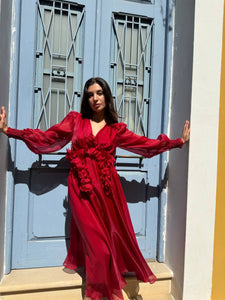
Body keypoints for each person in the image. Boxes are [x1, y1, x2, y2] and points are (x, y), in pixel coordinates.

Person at [0, 77, 190, 300]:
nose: (95, 98)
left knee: (109, 245)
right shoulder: (75, 121)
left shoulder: (115, 130)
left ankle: (99, 291)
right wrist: (8, 130)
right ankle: (96, 295)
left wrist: (178, 142)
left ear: (107, 96)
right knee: (99, 249)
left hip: (108, 193)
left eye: (99, 93)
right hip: (81, 190)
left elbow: (144, 144)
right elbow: (47, 137)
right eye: (90, 94)